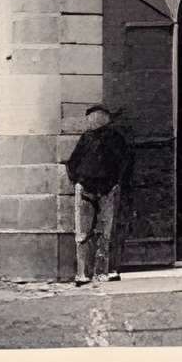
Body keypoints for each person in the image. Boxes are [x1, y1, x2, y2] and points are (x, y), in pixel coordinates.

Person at [66, 103, 134, 285]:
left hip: (106, 189)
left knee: (104, 233)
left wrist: (116, 184)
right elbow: (72, 164)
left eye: (96, 117)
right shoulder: (86, 139)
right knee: (87, 234)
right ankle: (84, 273)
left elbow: (125, 164)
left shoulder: (115, 139)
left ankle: (99, 272)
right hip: (88, 189)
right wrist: (78, 181)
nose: (93, 120)